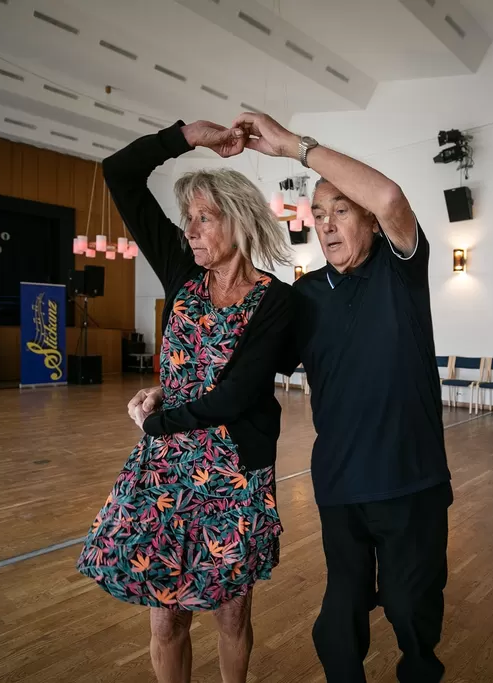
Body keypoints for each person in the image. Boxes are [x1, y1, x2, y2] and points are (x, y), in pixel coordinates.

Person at [234, 112, 453, 683]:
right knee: (338, 624)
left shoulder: (401, 271)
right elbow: (250, 365)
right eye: (318, 215)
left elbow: (389, 195)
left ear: (372, 223)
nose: (326, 225)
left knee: (411, 612)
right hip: (340, 486)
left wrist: (293, 147)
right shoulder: (305, 295)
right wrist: (174, 387)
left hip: (411, 481)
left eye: (341, 211)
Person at [76, 119, 296, 683]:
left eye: (205, 218)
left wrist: (160, 418)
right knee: (165, 619)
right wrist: (188, 135)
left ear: (239, 219)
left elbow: (239, 393)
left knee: (232, 614)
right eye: (187, 220)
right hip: (169, 470)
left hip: (233, 472)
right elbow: (118, 173)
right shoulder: (181, 273)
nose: (192, 231)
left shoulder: (275, 301)